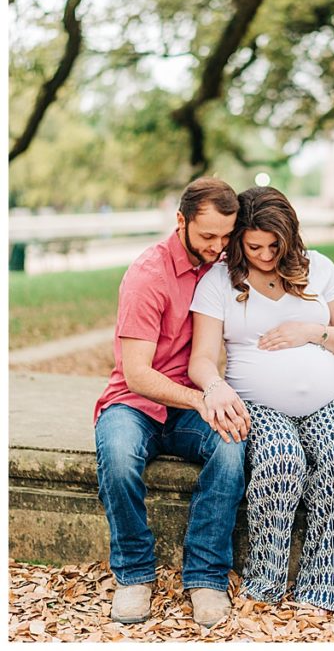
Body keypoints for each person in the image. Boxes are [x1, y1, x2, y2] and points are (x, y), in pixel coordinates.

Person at [188, 186, 334, 611]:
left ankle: (325, 587)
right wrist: (215, 388)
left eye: (275, 245)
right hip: (257, 404)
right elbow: (200, 359)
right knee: (281, 462)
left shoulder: (318, 268)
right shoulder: (219, 281)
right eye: (254, 246)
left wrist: (310, 331)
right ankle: (265, 581)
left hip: (326, 401)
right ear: (238, 241)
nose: (266, 255)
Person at [93, 177, 249, 628]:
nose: (219, 246)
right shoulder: (149, 275)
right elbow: (138, 374)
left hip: (189, 404)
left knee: (231, 441)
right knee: (119, 456)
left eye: (226, 236)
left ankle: (205, 578)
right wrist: (201, 400)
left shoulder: (220, 266)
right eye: (207, 236)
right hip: (134, 402)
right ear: (180, 221)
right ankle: (135, 575)